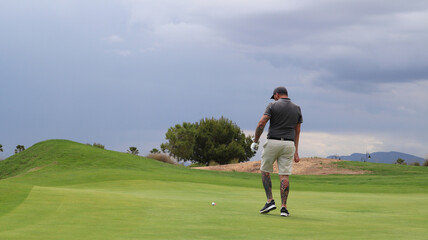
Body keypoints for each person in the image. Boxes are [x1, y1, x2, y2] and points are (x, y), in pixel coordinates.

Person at [251, 86, 303, 217]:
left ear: (277, 95)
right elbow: (297, 131)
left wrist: (255, 140)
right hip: (289, 144)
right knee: (284, 176)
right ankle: (284, 208)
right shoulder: (297, 108)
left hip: (273, 142)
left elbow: (261, 123)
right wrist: (296, 151)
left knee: (265, 171)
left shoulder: (272, 106)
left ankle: (270, 201)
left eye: (274, 96)